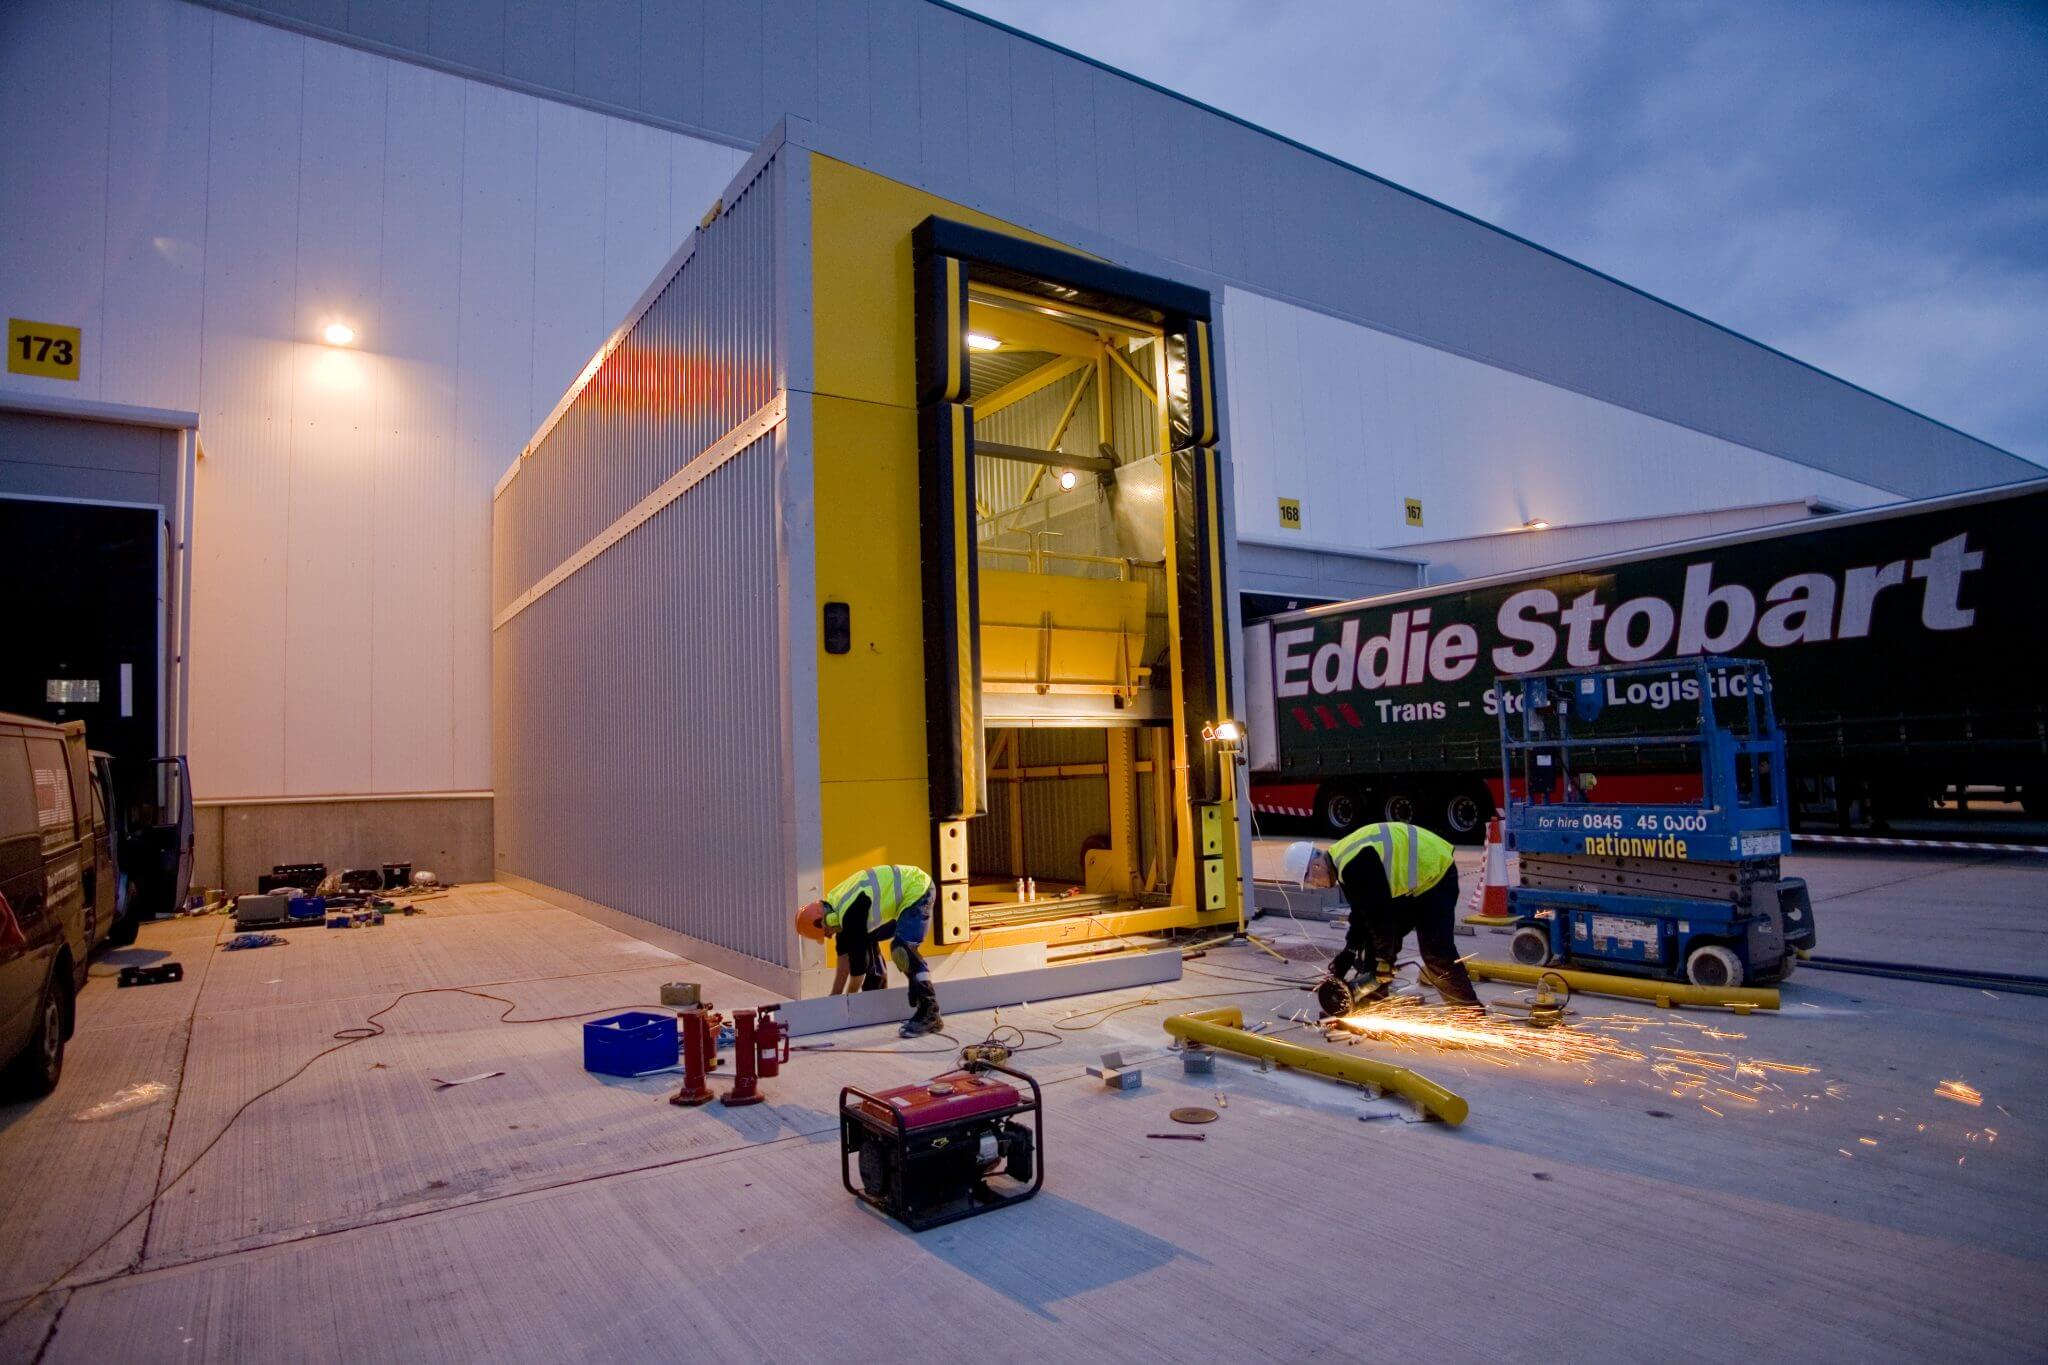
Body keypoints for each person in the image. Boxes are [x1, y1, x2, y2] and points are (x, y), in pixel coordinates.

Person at [1283, 822, 1482, 1014]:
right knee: (1374, 942)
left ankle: (1469, 1015)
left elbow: (1380, 916)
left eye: (1309, 881)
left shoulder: (1354, 866)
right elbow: (1362, 914)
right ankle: (1374, 1005)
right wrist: (1349, 951)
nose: (1315, 886)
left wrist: (1384, 960)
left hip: (1435, 873)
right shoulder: (1341, 861)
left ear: (1316, 867)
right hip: (1413, 886)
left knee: (1435, 951)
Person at [795, 864, 943, 1037]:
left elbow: (859, 968)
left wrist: (849, 1003)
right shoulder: (838, 910)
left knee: (902, 949)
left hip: (918, 889)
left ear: (822, 920)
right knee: (866, 939)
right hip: (904, 896)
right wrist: (834, 999)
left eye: (825, 933)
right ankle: (876, 991)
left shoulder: (850, 914)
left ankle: (930, 1011)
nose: (828, 937)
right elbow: (844, 957)